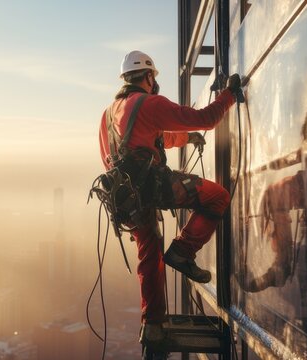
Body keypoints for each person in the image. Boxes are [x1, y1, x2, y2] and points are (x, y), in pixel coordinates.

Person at [98, 50, 243, 343]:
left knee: (148, 254)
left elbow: (152, 138)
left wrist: (187, 138)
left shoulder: (108, 114)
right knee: (217, 197)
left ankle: (152, 323)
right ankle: (183, 250)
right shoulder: (150, 103)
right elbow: (207, 118)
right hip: (153, 186)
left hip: (124, 197)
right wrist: (229, 94)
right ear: (149, 76)